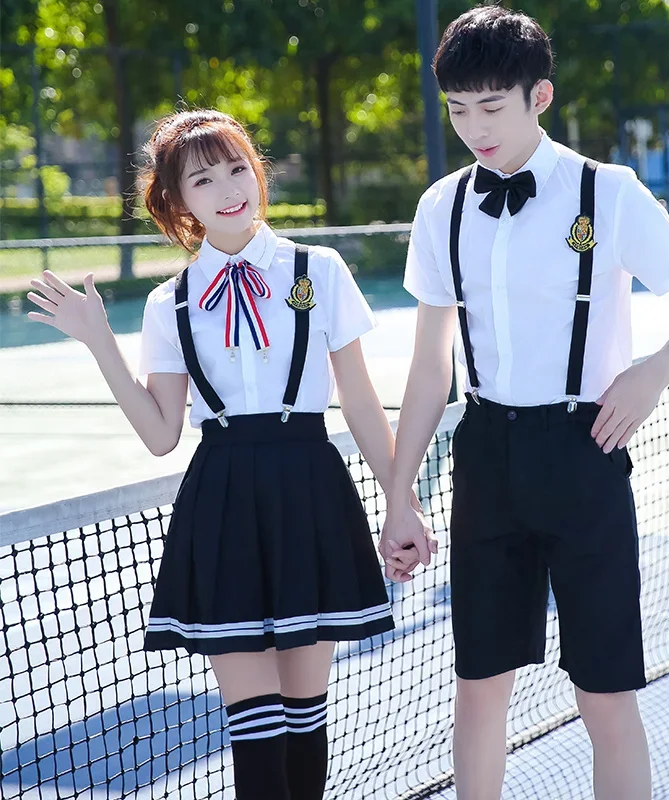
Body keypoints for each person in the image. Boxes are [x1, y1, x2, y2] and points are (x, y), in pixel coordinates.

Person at [379, 7, 669, 800]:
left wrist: (650, 373)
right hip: (487, 457)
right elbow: (430, 368)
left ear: (540, 96)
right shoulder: (442, 207)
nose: (474, 127)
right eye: (458, 110)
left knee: (604, 693)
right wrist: (399, 498)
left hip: (586, 453)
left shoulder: (610, 193)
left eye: (491, 107)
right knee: (478, 686)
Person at [27, 108, 423, 800]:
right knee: (256, 726)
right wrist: (99, 343)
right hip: (225, 501)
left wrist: (402, 504)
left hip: (310, 489)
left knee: (304, 717)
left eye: (238, 167)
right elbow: (160, 434)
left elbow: (360, 404)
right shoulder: (169, 304)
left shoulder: (318, 270)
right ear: (178, 201)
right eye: (204, 179)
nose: (229, 188)